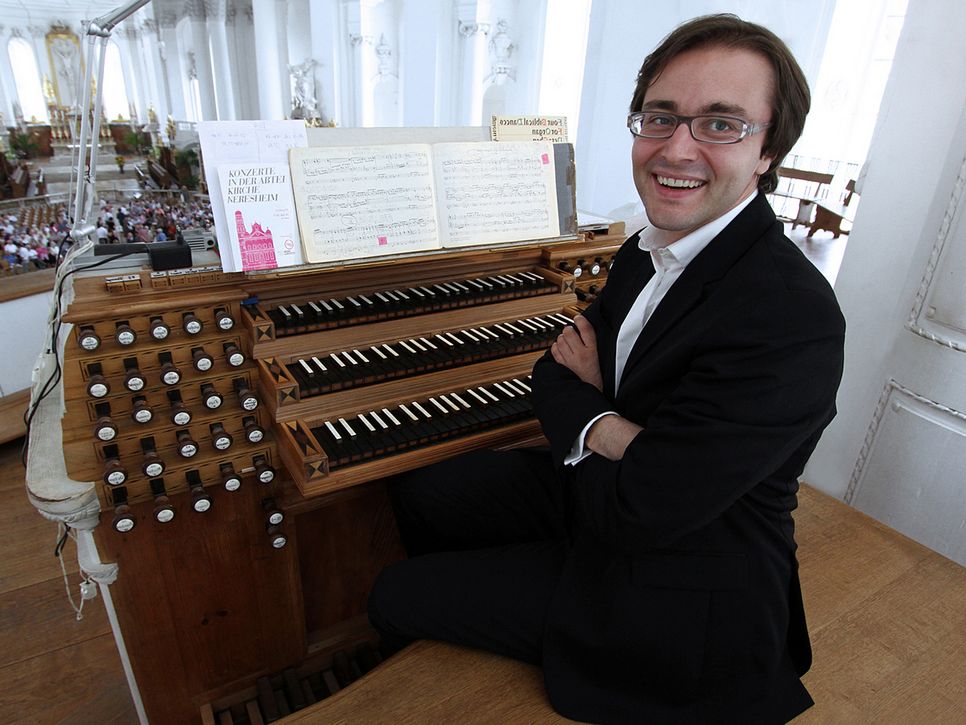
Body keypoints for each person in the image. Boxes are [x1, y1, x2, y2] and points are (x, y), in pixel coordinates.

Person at [368, 14, 845, 724]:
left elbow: (651, 505)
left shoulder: (791, 314)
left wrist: (598, 416)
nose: (675, 148)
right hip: (613, 495)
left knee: (393, 594)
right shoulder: (647, 249)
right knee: (425, 492)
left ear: (768, 150)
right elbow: (554, 371)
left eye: (721, 125)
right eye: (661, 117)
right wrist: (623, 433)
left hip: (685, 572)